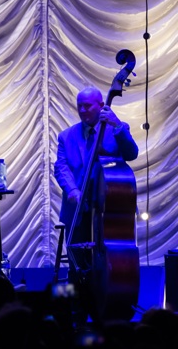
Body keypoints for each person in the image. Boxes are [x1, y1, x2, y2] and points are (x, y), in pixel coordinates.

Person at [54, 86, 138, 255]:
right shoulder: (66, 136)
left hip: (110, 208)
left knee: (112, 257)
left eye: (87, 106)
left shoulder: (117, 129)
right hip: (77, 207)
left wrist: (118, 125)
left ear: (101, 105)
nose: (82, 110)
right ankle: (78, 281)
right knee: (78, 263)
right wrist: (72, 190)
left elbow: (131, 154)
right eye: (80, 106)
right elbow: (60, 167)